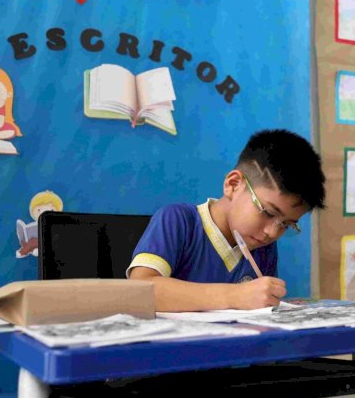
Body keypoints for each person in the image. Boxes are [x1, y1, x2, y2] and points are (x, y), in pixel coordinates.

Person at [128, 129, 325, 311]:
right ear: (233, 185)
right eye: (268, 213)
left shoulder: (262, 247)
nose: (272, 233)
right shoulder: (178, 221)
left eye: (286, 224)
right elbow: (139, 290)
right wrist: (234, 296)